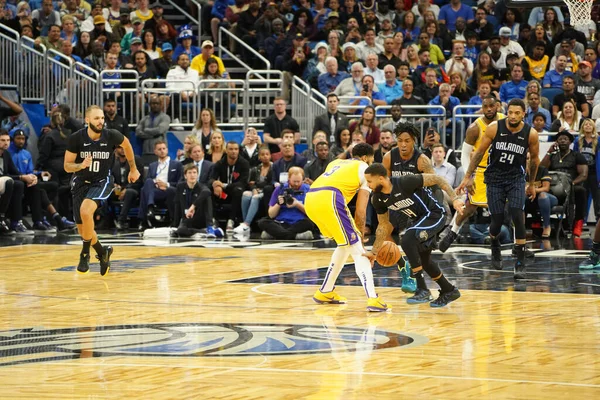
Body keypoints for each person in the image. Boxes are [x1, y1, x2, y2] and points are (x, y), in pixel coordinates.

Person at [457, 98, 540, 280]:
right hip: (494, 178)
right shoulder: (495, 128)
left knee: (518, 215)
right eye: (510, 112)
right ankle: (494, 242)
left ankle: (519, 261)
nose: (512, 116)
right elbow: (478, 153)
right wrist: (467, 176)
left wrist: (532, 184)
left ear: (523, 114)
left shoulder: (530, 134)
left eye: (517, 113)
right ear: (506, 111)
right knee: (496, 221)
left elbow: (534, 160)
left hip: (515, 179)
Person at [363, 162, 464, 307]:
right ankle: (449, 290)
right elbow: (383, 225)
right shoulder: (377, 199)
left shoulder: (405, 182)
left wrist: (455, 199)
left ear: (380, 179)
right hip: (419, 220)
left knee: (407, 240)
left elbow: (438, 179)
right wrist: (374, 251)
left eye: (369, 181)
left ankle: (423, 290)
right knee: (424, 260)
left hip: (434, 214)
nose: (368, 185)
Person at [305, 143, 390, 311]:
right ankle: (373, 299)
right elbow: (360, 210)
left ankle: (325, 291)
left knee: (344, 245)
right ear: (366, 158)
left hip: (310, 199)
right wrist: (360, 236)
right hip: (330, 198)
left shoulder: (335, 163)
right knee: (359, 251)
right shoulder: (365, 168)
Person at [64, 105, 140, 275]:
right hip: (80, 181)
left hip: (102, 181)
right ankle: (102, 252)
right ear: (87, 120)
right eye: (97, 118)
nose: (101, 121)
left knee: (86, 211)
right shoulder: (76, 138)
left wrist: (133, 168)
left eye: (102, 118)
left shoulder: (111, 135)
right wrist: (80, 165)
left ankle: (85, 253)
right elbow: (67, 166)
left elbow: (127, 145)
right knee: (83, 229)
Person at [540, 130, 588, 237]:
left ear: (570, 142)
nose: (562, 141)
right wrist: (549, 152)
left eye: (565, 139)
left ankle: (578, 223)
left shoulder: (576, 155)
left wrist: (572, 184)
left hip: (571, 185)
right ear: (556, 141)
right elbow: (541, 169)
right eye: (560, 139)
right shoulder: (553, 156)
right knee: (542, 192)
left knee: (581, 191)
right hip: (554, 186)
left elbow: (583, 175)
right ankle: (539, 223)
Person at [258, 167, 314, 240]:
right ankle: (293, 236)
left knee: (309, 223)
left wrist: (297, 204)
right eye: (294, 181)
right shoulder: (280, 189)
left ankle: (277, 235)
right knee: (262, 222)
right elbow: (271, 214)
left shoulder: (308, 189)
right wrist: (279, 204)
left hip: (298, 222)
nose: (296, 184)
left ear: (303, 180)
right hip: (281, 222)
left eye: (299, 181)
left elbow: (312, 213)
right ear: (289, 179)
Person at [137, 140, 183, 229]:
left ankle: (144, 218)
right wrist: (156, 184)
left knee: (144, 191)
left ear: (167, 150)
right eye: (159, 149)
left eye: (164, 148)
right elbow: (147, 182)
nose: (162, 151)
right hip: (155, 191)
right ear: (155, 152)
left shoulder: (177, 165)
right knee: (148, 183)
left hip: (169, 191)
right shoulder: (152, 165)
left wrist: (166, 185)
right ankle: (150, 206)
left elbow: (180, 183)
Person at [209, 140, 250, 234]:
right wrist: (215, 184)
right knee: (209, 190)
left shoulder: (244, 163)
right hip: (222, 192)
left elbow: (243, 182)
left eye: (236, 149)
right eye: (231, 149)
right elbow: (211, 179)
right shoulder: (220, 163)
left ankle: (231, 220)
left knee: (238, 190)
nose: (233, 151)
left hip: (235, 191)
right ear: (226, 150)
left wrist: (222, 186)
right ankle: (213, 219)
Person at [233, 146, 272, 236]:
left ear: (270, 156)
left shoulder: (273, 167)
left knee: (255, 197)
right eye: (262, 154)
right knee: (246, 194)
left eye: (267, 154)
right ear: (259, 157)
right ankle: (245, 223)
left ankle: (247, 224)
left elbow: (270, 182)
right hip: (256, 190)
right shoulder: (255, 169)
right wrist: (254, 188)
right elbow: (249, 183)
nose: (265, 156)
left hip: (266, 192)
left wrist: (257, 185)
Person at [109, 145, 143, 230]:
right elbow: (109, 177)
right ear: (116, 149)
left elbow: (138, 178)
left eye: (125, 147)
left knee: (129, 192)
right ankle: (107, 219)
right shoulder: (113, 162)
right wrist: (113, 185)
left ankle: (121, 221)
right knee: (104, 193)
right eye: (120, 148)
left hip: (134, 189)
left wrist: (126, 188)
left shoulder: (136, 160)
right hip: (118, 190)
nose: (123, 149)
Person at [135, 97, 170, 165]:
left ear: (161, 105)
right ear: (149, 105)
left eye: (157, 103)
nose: (155, 105)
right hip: (146, 152)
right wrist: (154, 135)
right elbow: (138, 132)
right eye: (153, 103)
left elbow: (160, 130)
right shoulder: (145, 118)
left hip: (160, 153)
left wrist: (146, 130)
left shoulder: (165, 117)